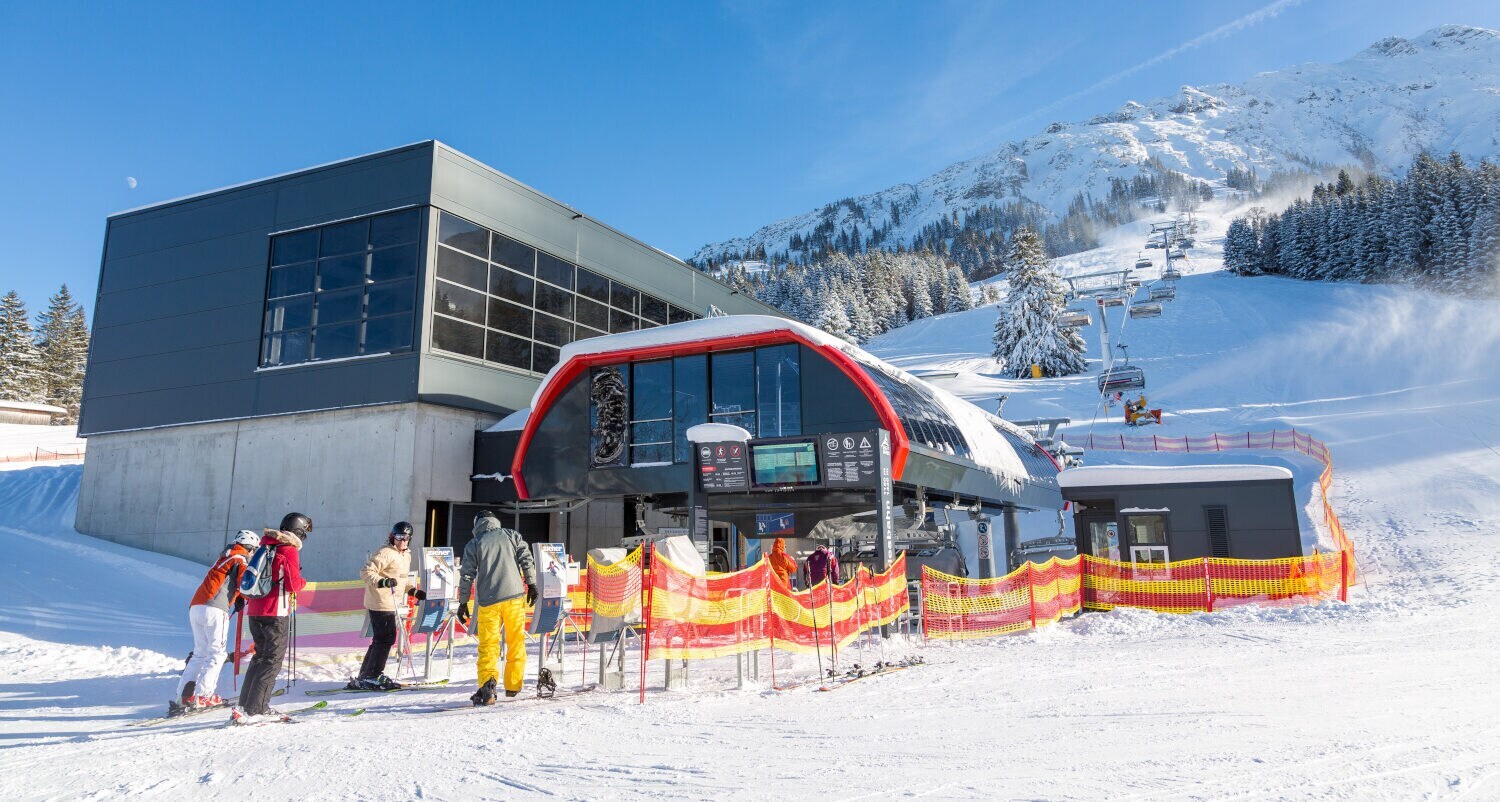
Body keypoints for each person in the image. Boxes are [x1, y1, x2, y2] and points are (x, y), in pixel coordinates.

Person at [231, 512, 310, 725]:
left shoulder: (266, 545)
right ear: (299, 531)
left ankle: (245, 706)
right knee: (271, 660)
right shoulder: (289, 549)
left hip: (255, 610)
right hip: (275, 612)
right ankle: (257, 710)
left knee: (259, 658)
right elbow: (293, 583)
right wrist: (303, 582)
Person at [455, 510, 537, 706]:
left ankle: (488, 686)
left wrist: (463, 601)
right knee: (516, 640)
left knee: (488, 645)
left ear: (477, 524)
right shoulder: (511, 535)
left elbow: (467, 574)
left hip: (488, 602)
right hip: (514, 597)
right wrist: (532, 584)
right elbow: (526, 559)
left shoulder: (474, 544)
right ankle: (513, 685)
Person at [172, 529, 258, 712]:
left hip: (196, 606)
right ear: (249, 548)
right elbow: (246, 584)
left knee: (200, 653)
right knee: (217, 653)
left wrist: (238, 597)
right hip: (215, 609)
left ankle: (183, 696)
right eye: (253, 550)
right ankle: (205, 696)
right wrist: (245, 597)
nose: (252, 554)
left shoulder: (223, 558)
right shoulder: (240, 559)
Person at [349, 521, 426, 690]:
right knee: (386, 638)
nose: (403, 541)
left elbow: (401, 581)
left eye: (406, 537)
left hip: (392, 603)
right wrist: (382, 581)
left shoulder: (405, 555)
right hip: (380, 602)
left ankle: (366, 674)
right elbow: (366, 572)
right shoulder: (386, 552)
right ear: (392, 536)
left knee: (380, 639)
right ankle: (373, 675)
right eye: (399, 537)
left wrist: (414, 591)